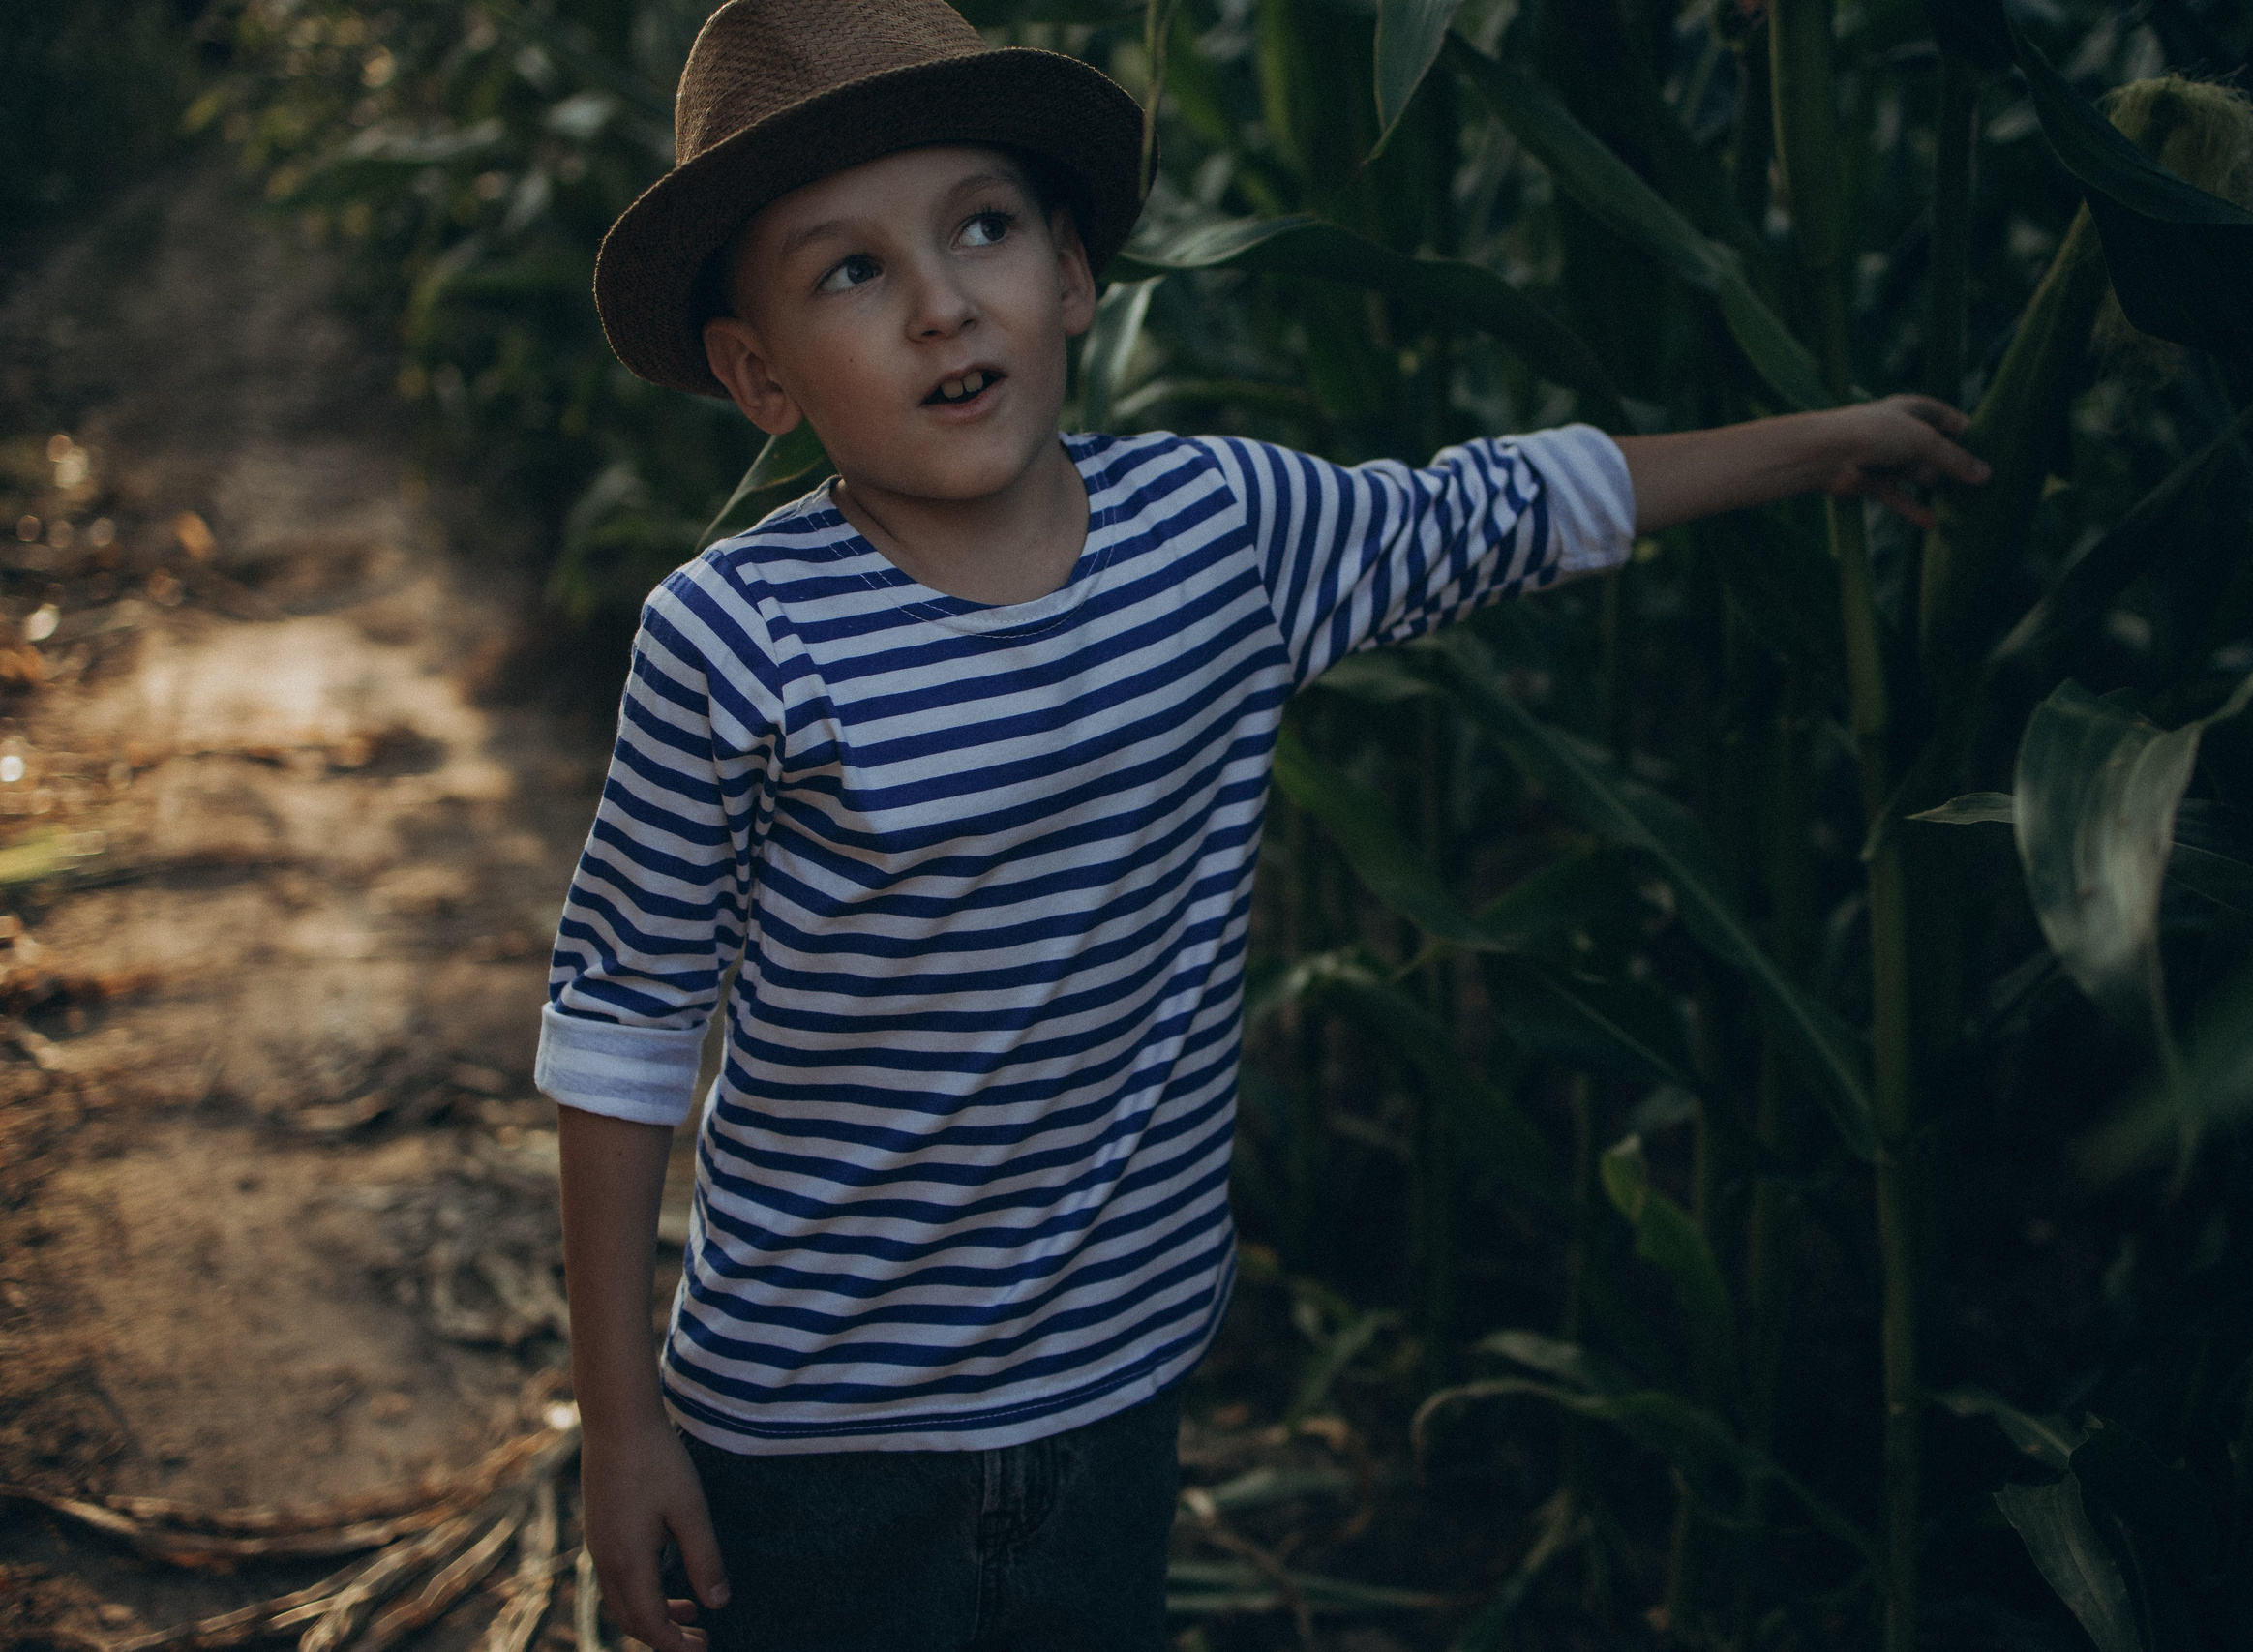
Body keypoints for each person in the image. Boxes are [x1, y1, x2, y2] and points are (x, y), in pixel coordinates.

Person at [540, 2, 1990, 1647]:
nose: (944, 302)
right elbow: (624, 1026)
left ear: (1072, 277)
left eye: (985, 229)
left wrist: (1828, 446)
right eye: (849, 272)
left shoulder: (1222, 533)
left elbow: (1497, 509)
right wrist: (623, 1422)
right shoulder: (734, 638)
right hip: (812, 1445)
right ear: (757, 374)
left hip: (1115, 1395)